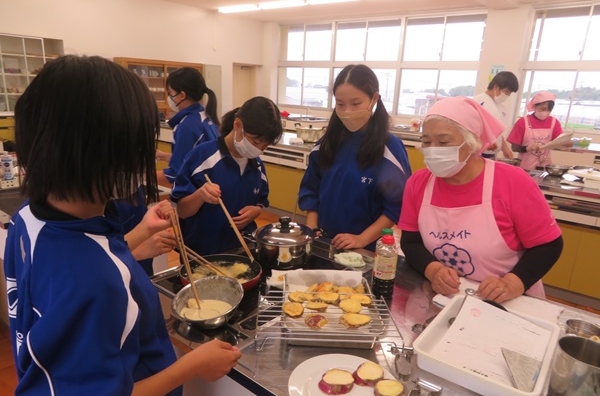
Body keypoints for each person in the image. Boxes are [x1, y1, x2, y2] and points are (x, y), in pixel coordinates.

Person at [5, 55, 241, 396]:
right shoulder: (94, 284)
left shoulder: (29, 219)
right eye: (137, 149)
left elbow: (73, 277)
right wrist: (190, 366)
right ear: (101, 155)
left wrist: (138, 235)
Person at [399, 97, 563, 303]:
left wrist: (512, 283)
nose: (433, 149)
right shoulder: (418, 183)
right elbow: (411, 241)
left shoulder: (513, 182)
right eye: (426, 141)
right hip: (444, 298)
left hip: (507, 302)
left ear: (472, 142)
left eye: (443, 142)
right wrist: (433, 270)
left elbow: (549, 246)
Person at [298, 64, 412, 251]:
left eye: (356, 103)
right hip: (323, 241)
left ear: (374, 99)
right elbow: (311, 189)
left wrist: (362, 239)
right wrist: (312, 226)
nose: (347, 112)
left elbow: (396, 206)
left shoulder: (389, 148)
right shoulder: (327, 143)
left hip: (363, 248)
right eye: (340, 104)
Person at [172, 96, 283, 255]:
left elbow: (261, 201)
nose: (258, 150)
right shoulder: (202, 156)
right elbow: (182, 211)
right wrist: (200, 195)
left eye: (264, 146)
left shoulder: (257, 165)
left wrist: (256, 211)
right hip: (202, 253)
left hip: (242, 250)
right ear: (237, 125)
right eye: (255, 142)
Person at [156, 67, 220, 186]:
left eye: (170, 93)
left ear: (182, 95)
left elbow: (176, 174)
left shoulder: (187, 126)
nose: (170, 98)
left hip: (197, 191)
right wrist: (161, 155)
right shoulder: (205, 117)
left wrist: (140, 176)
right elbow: (191, 159)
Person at [507, 91, 568, 170]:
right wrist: (527, 148)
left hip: (545, 165)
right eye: (543, 109)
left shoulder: (554, 122)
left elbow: (558, 143)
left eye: (549, 109)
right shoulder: (523, 122)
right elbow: (514, 147)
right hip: (525, 166)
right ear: (535, 106)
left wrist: (566, 143)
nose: (546, 112)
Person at [472, 71, 519, 160]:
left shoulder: (500, 107)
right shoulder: (478, 102)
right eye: (507, 91)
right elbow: (471, 129)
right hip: (477, 153)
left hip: (492, 153)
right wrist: (485, 142)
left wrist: (505, 148)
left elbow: (498, 132)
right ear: (496, 87)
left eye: (510, 93)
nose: (507, 95)